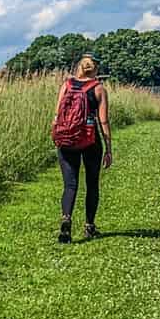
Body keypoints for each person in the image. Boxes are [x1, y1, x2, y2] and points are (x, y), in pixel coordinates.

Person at [52, 54, 112, 243]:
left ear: (79, 67)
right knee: (92, 184)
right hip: (89, 139)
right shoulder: (98, 89)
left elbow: (57, 114)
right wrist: (109, 148)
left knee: (70, 185)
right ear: (95, 70)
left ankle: (66, 219)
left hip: (67, 139)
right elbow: (103, 120)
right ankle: (89, 226)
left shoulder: (66, 85)